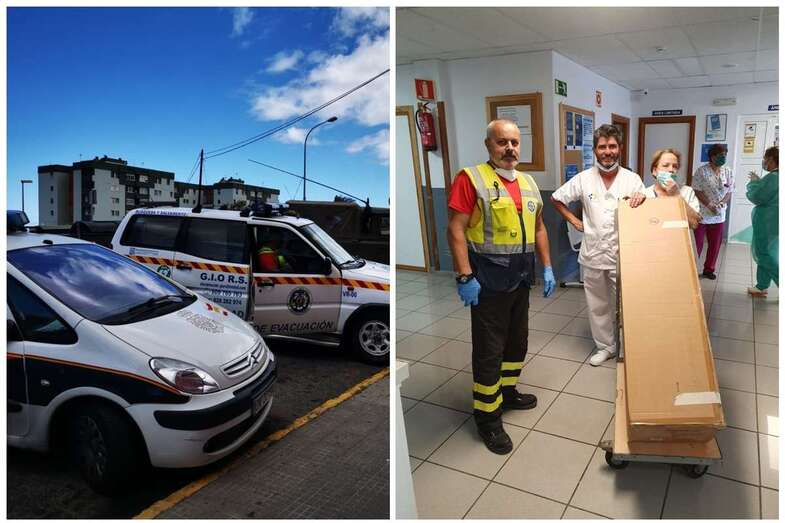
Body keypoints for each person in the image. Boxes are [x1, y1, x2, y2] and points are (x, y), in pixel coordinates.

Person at [447, 119, 556, 455]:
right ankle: (487, 417)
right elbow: (456, 229)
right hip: (487, 282)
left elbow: (539, 228)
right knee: (489, 352)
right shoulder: (471, 179)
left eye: (514, 142)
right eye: (502, 142)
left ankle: (507, 394)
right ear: (488, 145)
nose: (510, 148)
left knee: (516, 344)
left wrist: (548, 267)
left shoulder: (527, 183)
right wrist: (465, 276)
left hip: (521, 279)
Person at [551, 124, 646, 367]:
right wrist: (573, 220)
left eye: (612, 146)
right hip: (592, 254)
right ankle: (606, 347)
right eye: (602, 147)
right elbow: (556, 198)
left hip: (623, 254)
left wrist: (642, 198)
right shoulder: (583, 179)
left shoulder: (632, 179)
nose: (607, 151)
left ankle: (630, 345)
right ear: (594, 150)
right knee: (598, 306)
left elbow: (646, 208)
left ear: (620, 149)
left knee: (628, 304)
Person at [692, 144, 734, 279]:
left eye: (725, 155)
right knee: (697, 243)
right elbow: (697, 190)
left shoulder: (728, 171)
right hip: (702, 212)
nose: (723, 158)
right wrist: (709, 205)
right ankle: (691, 269)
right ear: (712, 156)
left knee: (715, 244)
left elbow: (730, 191)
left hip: (719, 214)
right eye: (720, 155)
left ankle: (709, 269)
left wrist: (722, 203)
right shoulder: (701, 171)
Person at [746, 146, 778, 297]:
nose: (764, 161)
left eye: (766, 158)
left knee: (764, 254)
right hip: (774, 222)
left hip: (768, 221)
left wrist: (753, 183)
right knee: (769, 252)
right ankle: (761, 286)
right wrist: (760, 182)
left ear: (771, 159)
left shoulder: (773, 177)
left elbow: (757, 196)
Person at [643, 148, 701, 227]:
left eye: (675, 166)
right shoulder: (645, 193)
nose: (671, 169)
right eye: (665, 165)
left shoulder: (687, 191)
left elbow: (694, 224)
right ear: (655, 171)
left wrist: (676, 195)